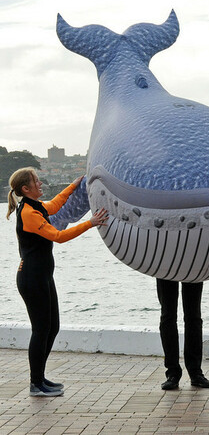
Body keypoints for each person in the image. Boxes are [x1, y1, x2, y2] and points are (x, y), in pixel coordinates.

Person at [7, 168, 107, 397]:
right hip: (31, 278)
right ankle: (35, 384)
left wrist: (73, 185)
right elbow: (58, 236)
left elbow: (55, 204)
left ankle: (40, 378)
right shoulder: (28, 213)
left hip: (42, 277)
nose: (40, 183)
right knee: (41, 330)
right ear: (26, 189)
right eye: (36, 181)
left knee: (52, 328)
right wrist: (90, 223)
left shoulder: (36, 206)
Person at [156, 278, 209, 390]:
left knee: (194, 316)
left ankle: (195, 373)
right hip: (165, 268)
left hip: (193, 269)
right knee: (168, 316)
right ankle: (172, 373)